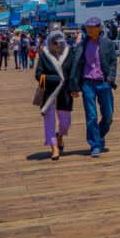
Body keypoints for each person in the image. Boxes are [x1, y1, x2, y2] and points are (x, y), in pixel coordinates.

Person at [71, 17, 118, 158]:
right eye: (87, 27)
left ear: (99, 28)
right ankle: (95, 145)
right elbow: (74, 63)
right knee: (91, 116)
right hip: (88, 83)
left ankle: (99, 135)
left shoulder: (107, 43)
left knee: (108, 115)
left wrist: (110, 80)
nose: (89, 29)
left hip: (104, 82)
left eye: (92, 27)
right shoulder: (82, 44)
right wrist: (74, 86)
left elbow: (113, 62)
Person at [36, 31, 75, 161]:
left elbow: (74, 72)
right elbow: (38, 75)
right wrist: (56, 79)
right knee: (49, 123)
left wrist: (75, 87)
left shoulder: (69, 53)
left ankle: (60, 136)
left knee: (66, 122)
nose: (57, 44)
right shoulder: (44, 55)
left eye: (59, 42)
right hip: (49, 94)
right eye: (54, 42)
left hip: (65, 93)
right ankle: (54, 148)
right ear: (50, 42)